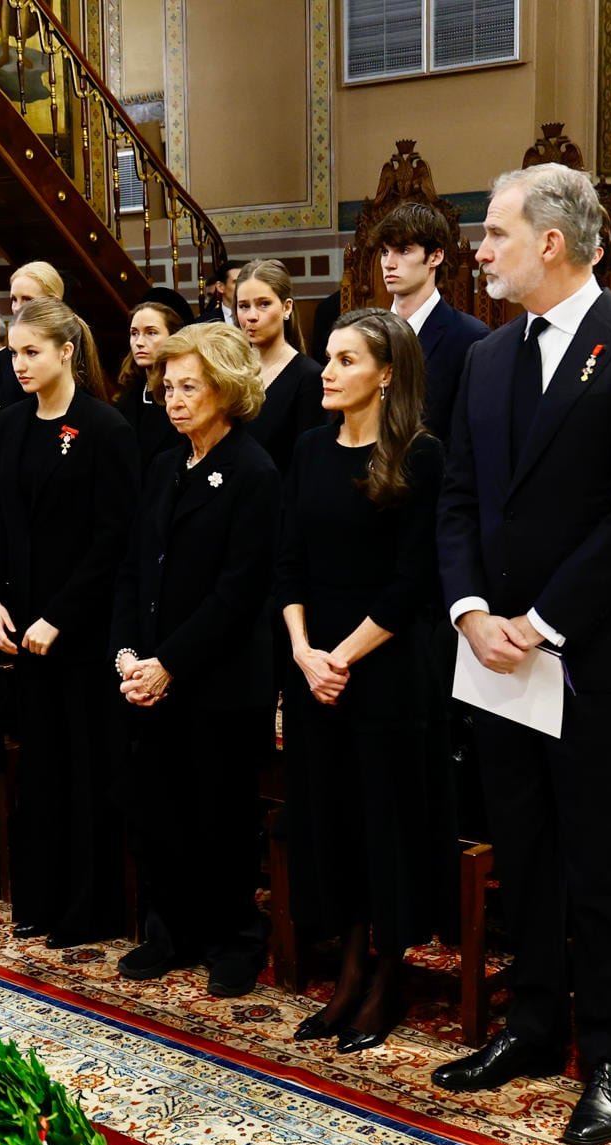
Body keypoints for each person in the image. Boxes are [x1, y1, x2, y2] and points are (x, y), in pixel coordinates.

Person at [433, 163, 611, 1145]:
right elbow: (459, 498)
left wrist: (540, 622)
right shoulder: (487, 357)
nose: (480, 251)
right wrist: (470, 611)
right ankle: (535, 1023)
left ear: (551, 241)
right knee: (525, 851)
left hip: (589, 658)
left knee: (605, 863)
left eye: (494, 233)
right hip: (493, 657)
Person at [276, 309, 446, 1051]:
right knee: (333, 820)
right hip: (315, 668)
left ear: (386, 374)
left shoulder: (420, 456)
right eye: (328, 357)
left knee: (385, 824)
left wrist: (339, 657)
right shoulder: (310, 449)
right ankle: (347, 969)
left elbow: (412, 583)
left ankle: (387, 978)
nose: (328, 371)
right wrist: (303, 652)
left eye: (346, 360)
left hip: (386, 672)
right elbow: (286, 561)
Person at [111, 323, 279, 997]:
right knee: (160, 810)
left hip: (220, 680)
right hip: (154, 674)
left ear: (226, 389)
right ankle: (169, 931)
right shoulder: (163, 464)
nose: (174, 400)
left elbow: (239, 591)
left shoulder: (253, 471)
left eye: (190, 387)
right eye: (168, 387)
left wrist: (169, 664)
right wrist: (127, 653)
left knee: (221, 816)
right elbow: (133, 568)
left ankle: (234, 937)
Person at [0, 297, 138, 945]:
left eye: (32, 351)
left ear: (66, 351)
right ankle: (40, 900)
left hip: (82, 629)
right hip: (22, 626)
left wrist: (59, 616)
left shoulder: (105, 427)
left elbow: (113, 539)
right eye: (14, 352)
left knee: (84, 768)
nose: (19, 364)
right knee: (40, 768)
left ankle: (88, 909)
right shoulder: (12, 422)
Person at [375, 202, 488, 438]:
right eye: (385, 251)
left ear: (435, 256)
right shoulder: (367, 333)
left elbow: (471, 434)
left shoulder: (471, 338)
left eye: (403, 250)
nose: (388, 263)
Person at [231, 258, 325, 472]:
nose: (251, 316)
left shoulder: (309, 376)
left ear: (286, 307)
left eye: (264, 304)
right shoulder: (230, 369)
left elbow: (307, 459)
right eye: (243, 306)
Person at [113, 287, 191, 464]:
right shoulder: (127, 397)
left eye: (151, 332)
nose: (139, 342)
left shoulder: (185, 398)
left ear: (174, 337)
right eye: (134, 333)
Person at [0, 261, 63, 417]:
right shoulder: (3, 358)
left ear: (53, 303)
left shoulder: (71, 353)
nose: (17, 308)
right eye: (14, 299)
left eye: (27, 299)